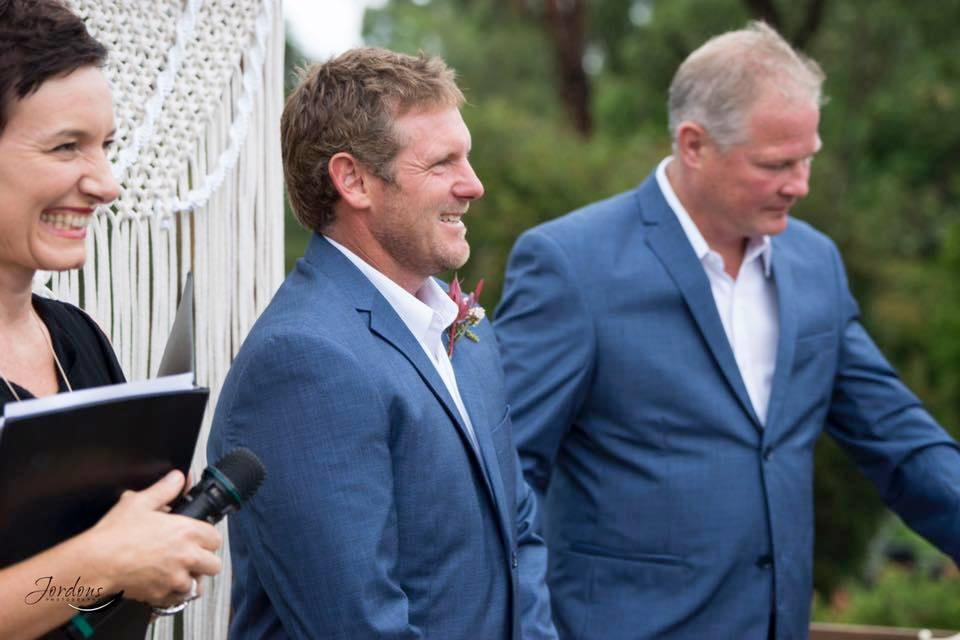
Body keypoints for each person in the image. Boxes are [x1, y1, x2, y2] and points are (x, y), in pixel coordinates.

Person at [494, 21, 960, 640]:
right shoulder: (572, 265)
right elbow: (502, 474)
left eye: (808, 158)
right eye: (776, 164)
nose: (801, 184)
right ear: (694, 144)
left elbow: (899, 440)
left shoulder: (815, 264)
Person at [207, 47, 556, 639]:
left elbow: (519, 531)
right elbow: (358, 622)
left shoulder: (467, 330)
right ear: (354, 180)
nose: (473, 185)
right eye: (442, 163)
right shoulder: (304, 360)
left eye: (466, 157)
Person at [0, 1, 222, 637]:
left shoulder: (79, 337)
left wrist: (155, 563)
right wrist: (106, 565)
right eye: (67, 146)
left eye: (106, 147)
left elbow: (88, 596)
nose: (106, 184)